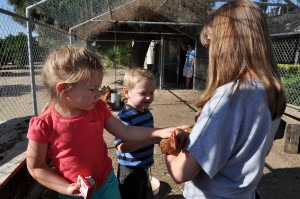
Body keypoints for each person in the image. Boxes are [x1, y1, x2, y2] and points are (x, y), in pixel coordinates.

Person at [26, 46, 187, 199]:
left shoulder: (98, 108)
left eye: (99, 87)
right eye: (92, 89)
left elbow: (125, 132)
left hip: (106, 183)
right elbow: (36, 166)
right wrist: (65, 188)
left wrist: (159, 132)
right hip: (74, 191)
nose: (99, 94)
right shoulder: (44, 124)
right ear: (64, 89)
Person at [165, 0, 286, 199]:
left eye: (211, 44)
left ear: (228, 44)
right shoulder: (271, 91)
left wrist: (168, 147)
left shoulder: (229, 95)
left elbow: (181, 172)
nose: (209, 51)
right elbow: (254, 150)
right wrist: (208, 125)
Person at [114, 67, 157, 199]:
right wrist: (148, 139)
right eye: (143, 93)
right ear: (127, 92)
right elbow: (122, 147)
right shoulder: (125, 117)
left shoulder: (146, 113)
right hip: (130, 170)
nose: (149, 97)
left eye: (152, 92)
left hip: (144, 166)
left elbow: (151, 132)